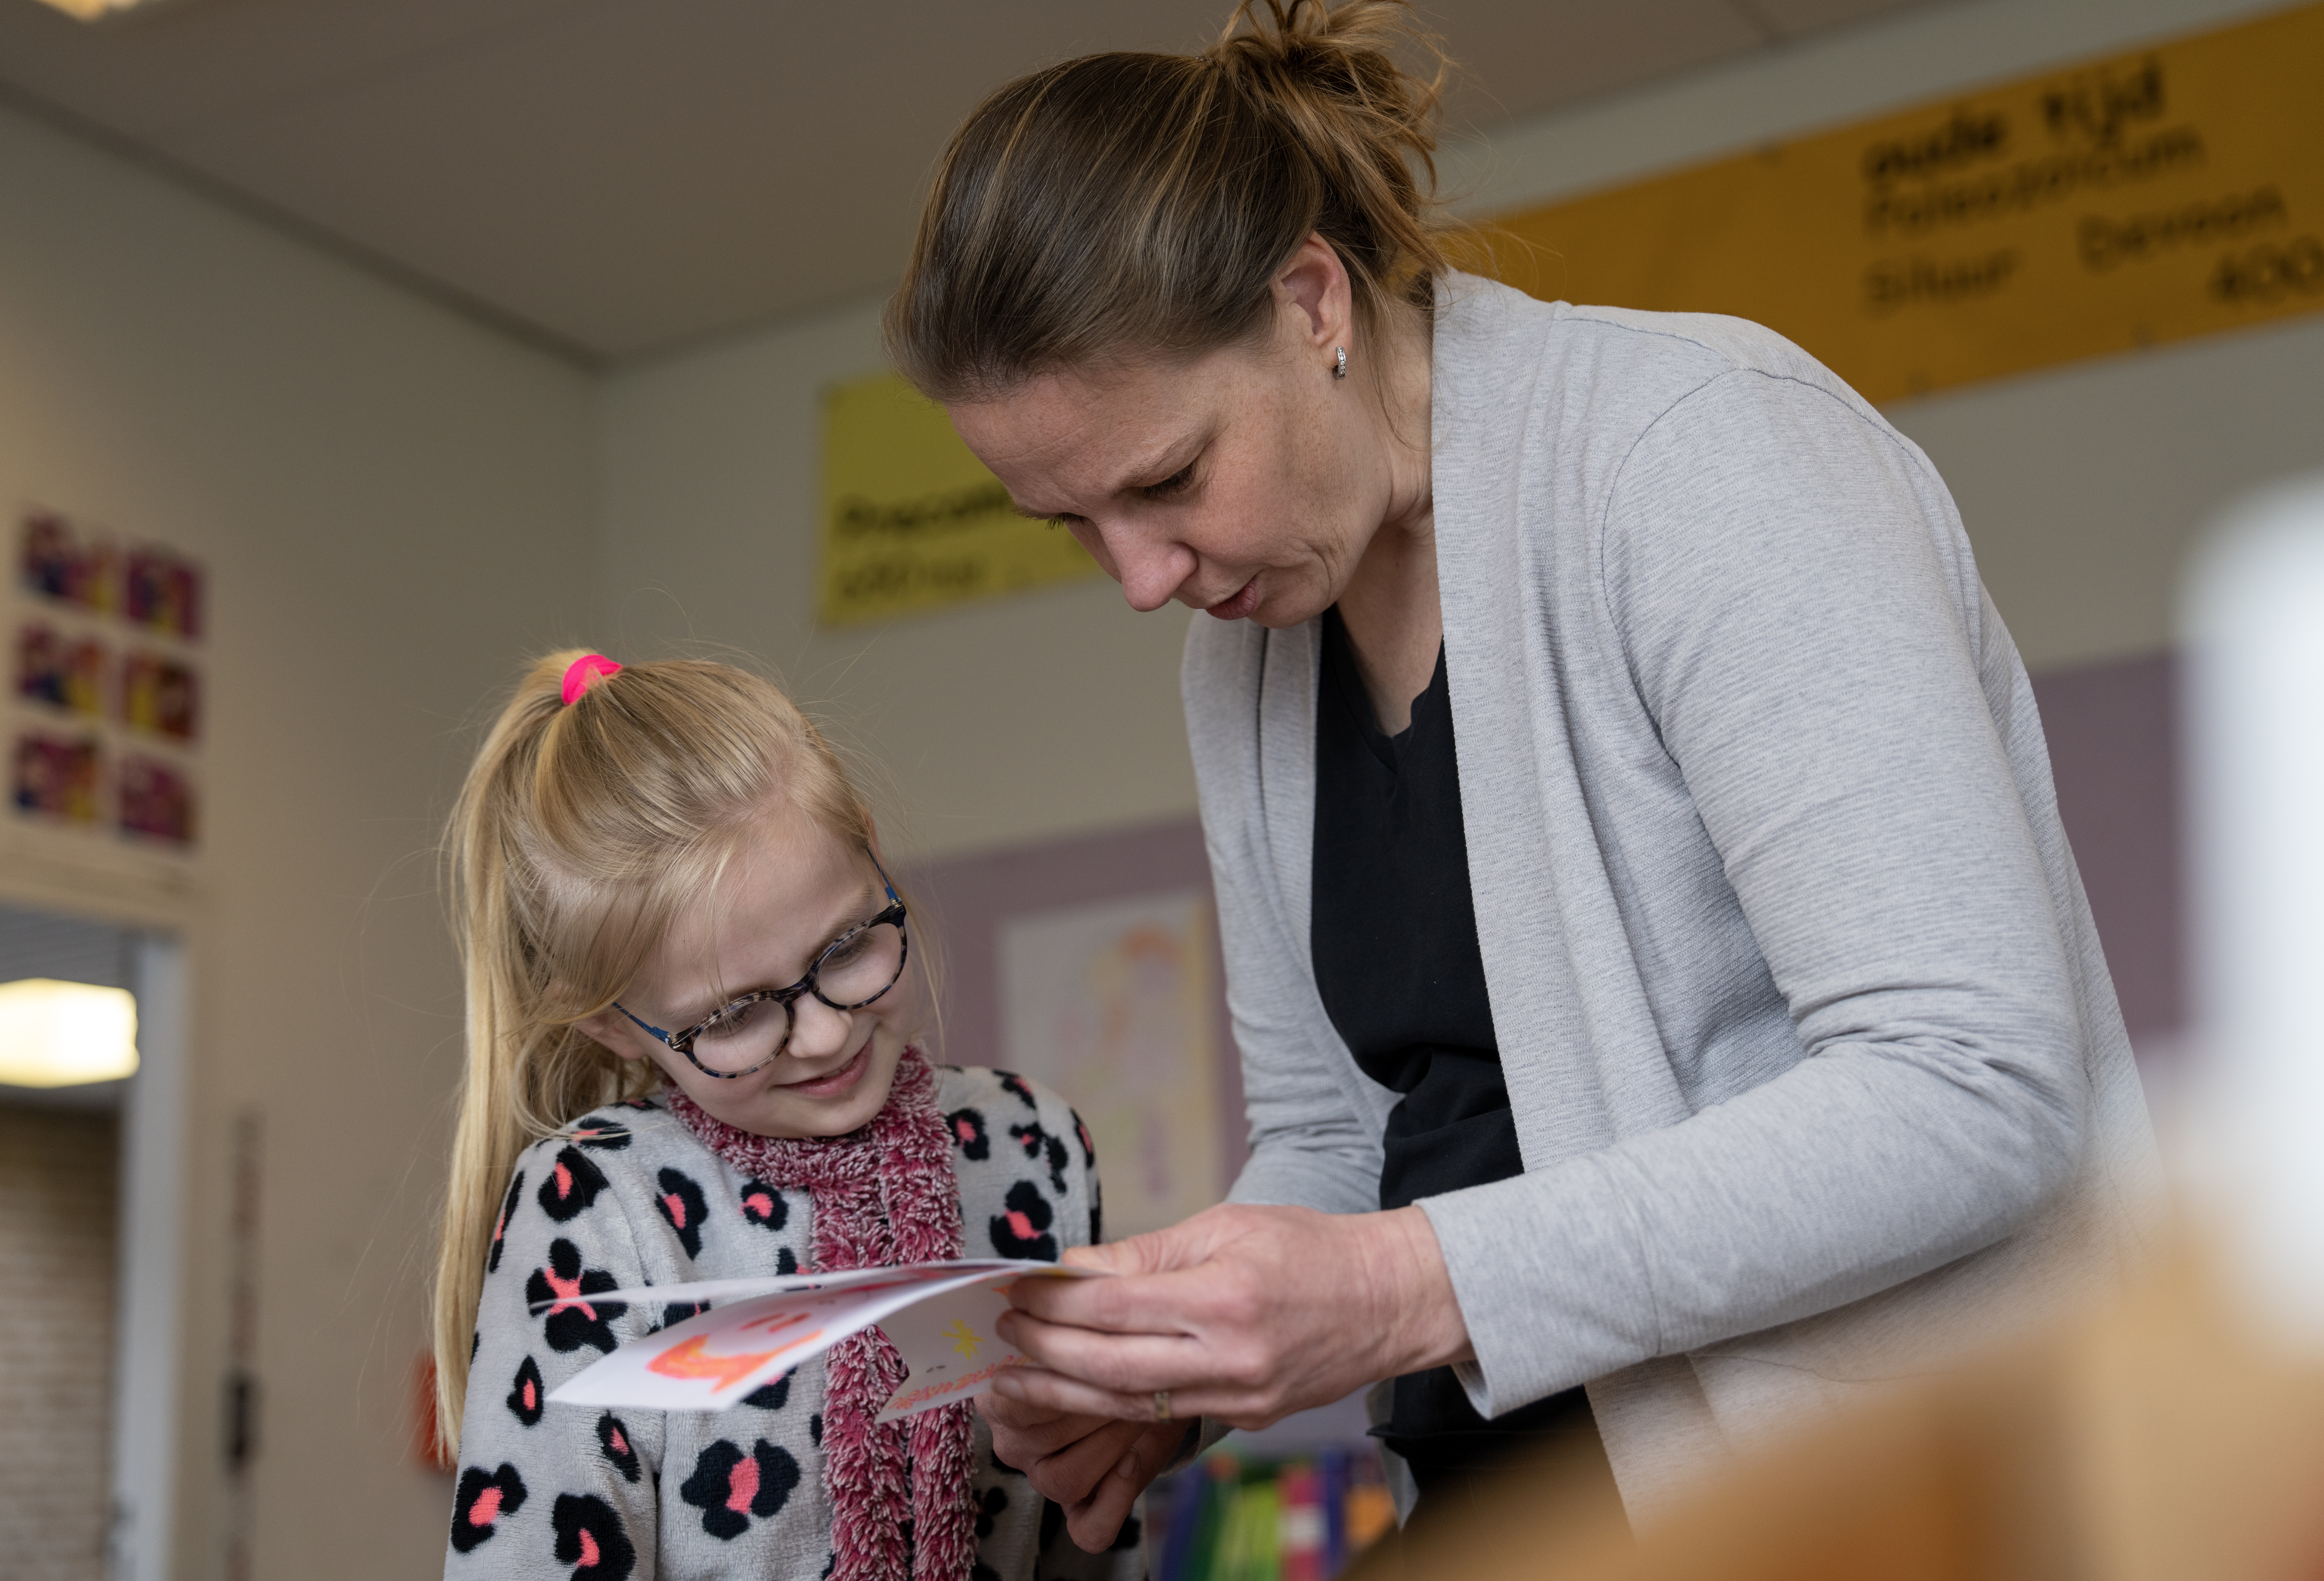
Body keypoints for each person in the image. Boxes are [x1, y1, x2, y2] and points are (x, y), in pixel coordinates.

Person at [884, 0, 2161, 1551]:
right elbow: (1340, 1139)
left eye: (1168, 479)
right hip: (1501, 1492)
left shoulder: (1693, 452)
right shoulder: (1245, 654)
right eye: (1073, 525)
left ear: (1310, 300)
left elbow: (1977, 1087)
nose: (1143, 579)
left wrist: (1406, 1287)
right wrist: (1183, 1362)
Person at [431, 652, 1142, 1581]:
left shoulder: (1033, 1148)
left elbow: (1092, 1531)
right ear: (614, 1025)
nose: (825, 1034)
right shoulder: (598, 1207)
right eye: (735, 1016)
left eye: (845, 949)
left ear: (874, 855)